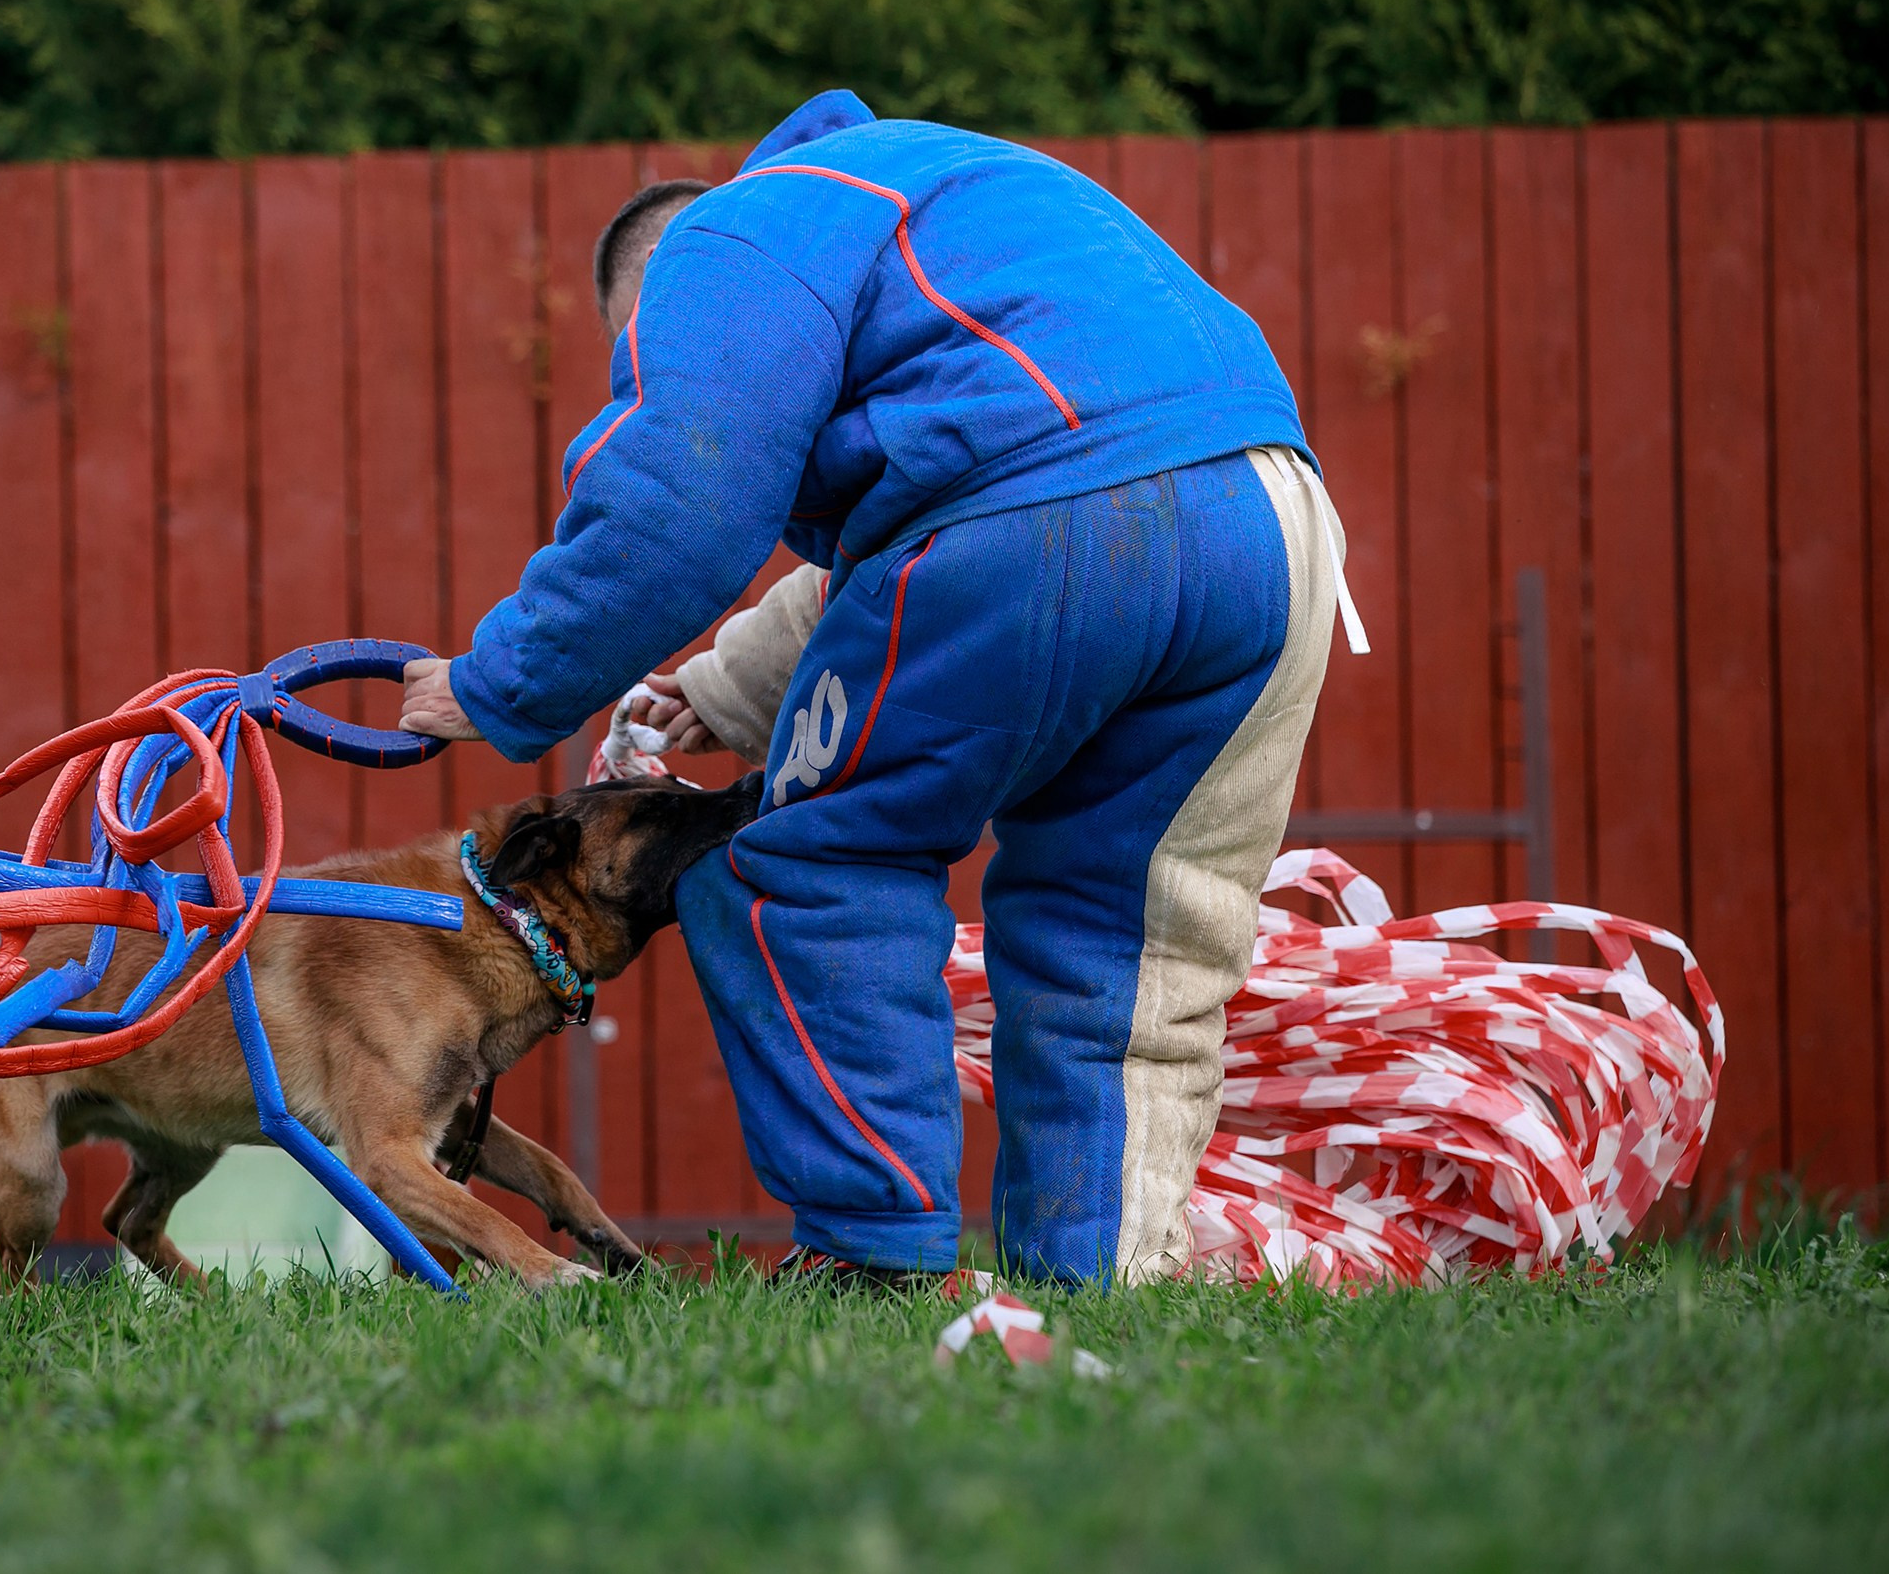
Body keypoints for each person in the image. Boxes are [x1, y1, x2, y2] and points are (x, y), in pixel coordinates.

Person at [398, 90, 1360, 1286]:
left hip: (1033, 513)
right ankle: (1106, 1277)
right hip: (1272, 531)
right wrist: (720, 687)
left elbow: (678, 505)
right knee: (1130, 936)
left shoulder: (727, 237)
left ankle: (874, 1257)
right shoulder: (942, 191)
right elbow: (892, 541)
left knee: (801, 867)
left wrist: (498, 683)